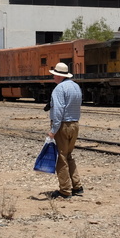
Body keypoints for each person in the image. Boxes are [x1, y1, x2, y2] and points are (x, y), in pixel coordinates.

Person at [46, 62, 83, 199]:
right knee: (68, 155)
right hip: (74, 124)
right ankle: (77, 186)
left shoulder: (59, 89)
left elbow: (58, 110)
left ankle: (65, 190)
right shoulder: (76, 86)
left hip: (63, 125)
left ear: (59, 76)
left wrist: (53, 130)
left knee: (60, 158)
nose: (53, 77)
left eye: (55, 75)